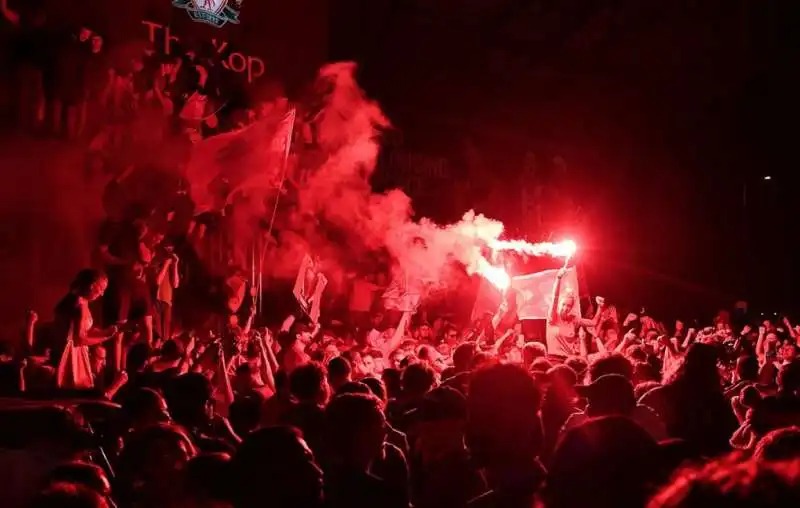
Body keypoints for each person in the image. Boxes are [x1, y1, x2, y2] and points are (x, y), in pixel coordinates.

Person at [53, 269, 119, 389]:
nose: (102, 294)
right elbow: (80, 339)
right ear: (92, 286)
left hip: (66, 351)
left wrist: (105, 332)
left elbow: (82, 330)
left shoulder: (76, 299)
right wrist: (105, 336)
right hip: (72, 356)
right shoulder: (80, 303)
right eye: (101, 289)